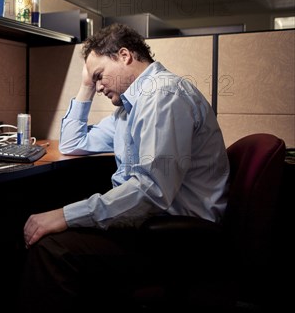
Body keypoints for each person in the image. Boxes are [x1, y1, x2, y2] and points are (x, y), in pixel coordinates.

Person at [19, 23, 229, 310]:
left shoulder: (163, 96)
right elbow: (72, 142)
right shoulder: (128, 110)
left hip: (178, 241)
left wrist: (65, 216)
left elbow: (151, 191)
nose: (98, 85)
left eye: (99, 76)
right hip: (153, 225)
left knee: (53, 249)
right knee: (59, 235)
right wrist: (85, 87)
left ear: (125, 56)